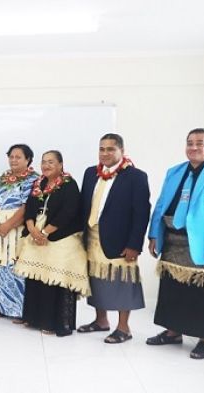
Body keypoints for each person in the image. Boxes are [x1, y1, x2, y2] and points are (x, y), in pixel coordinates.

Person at [146, 128, 204, 359]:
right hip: (173, 240)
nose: (193, 147)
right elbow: (161, 205)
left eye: (200, 143)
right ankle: (173, 332)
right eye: (190, 143)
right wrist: (154, 234)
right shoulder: (175, 172)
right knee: (173, 289)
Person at [76, 134, 150, 343]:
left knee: (122, 281)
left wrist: (134, 244)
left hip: (120, 239)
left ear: (121, 151)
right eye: (102, 149)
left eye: (110, 149)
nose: (105, 153)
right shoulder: (90, 173)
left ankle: (124, 328)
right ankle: (101, 321)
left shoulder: (136, 176)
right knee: (97, 278)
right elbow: (84, 205)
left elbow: (142, 212)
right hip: (92, 235)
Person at [14, 150, 89, 336]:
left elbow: (68, 212)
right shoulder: (39, 183)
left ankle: (54, 322)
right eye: (44, 162)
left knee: (55, 277)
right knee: (35, 275)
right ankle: (33, 318)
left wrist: (45, 232)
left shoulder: (69, 184)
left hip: (60, 234)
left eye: (51, 162)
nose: (46, 165)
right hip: (36, 232)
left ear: (61, 164)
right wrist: (32, 229)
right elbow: (30, 207)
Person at [0, 144, 39, 320]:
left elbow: (27, 206)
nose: (14, 160)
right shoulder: (3, 178)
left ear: (28, 159)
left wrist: (8, 225)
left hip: (17, 229)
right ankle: (3, 307)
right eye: (11, 156)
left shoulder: (33, 179)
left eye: (18, 157)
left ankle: (20, 311)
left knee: (17, 266)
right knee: (0, 266)